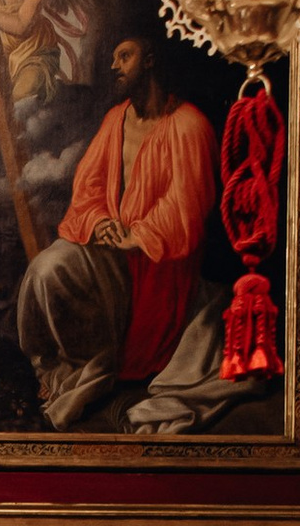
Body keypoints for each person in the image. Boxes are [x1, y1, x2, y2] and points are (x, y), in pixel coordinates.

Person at [13, 27, 216, 430]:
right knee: (46, 269)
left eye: (124, 56)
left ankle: (101, 372)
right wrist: (100, 222)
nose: (113, 66)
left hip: (158, 268)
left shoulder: (190, 126)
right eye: (114, 58)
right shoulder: (114, 120)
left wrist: (136, 235)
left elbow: (188, 206)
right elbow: (87, 187)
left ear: (151, 59)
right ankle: (60, 369)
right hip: (109, 249)